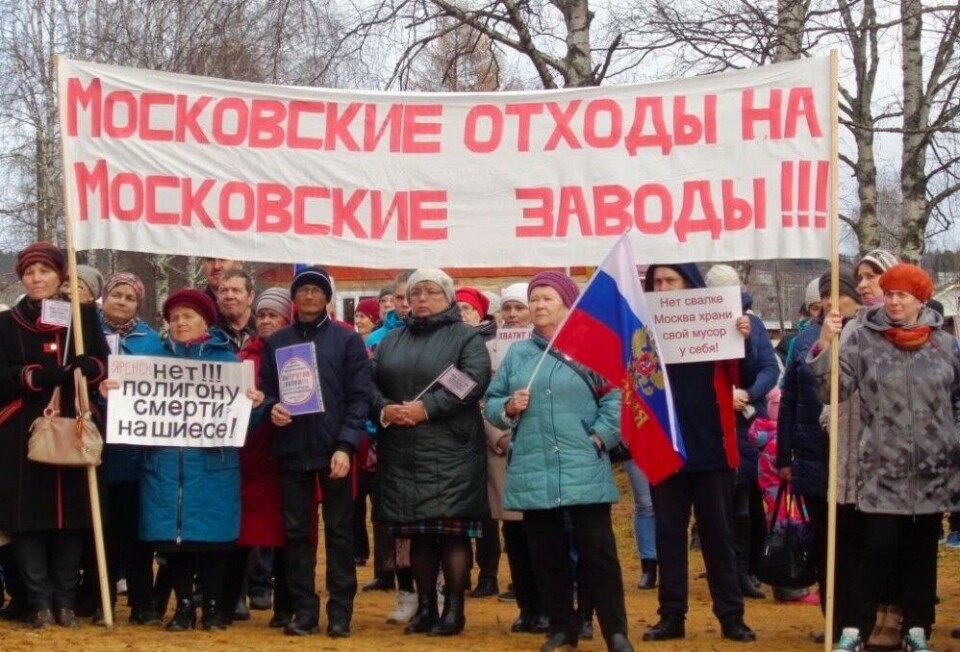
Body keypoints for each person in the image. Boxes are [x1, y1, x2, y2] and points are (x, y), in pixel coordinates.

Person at [810, 264, 957, 652]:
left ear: (920, 300)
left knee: (922, 554)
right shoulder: (864, 339)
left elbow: (957, 400)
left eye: (901, 295)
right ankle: (855, 629)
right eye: (888, 293)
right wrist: (826, 344)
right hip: (881, 471)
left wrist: (953, 439)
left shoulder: (944, 344)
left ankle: (917, 629)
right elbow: (833, 390)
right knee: (877, 549)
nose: (892, 301)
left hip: (932, 473)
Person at [485, 271, 634, 652]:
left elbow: (616, 396)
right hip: (534, 465)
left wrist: (600, 437)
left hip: (583, 462)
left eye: (547, 298)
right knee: (547, 554)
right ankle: (562, 628)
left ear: (568, 305)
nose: (538, 305)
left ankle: (615, 630)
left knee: (598, 553)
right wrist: (508, 407)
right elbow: (492, 402)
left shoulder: (591, 346)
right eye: (534, 299)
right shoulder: (517, 354)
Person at [101, 289, 256, 632]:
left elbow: (245, 423)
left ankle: (212, 608)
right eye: (174, 318)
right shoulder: (152, 361)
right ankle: (184, 607)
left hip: (213, 467)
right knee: (175, 543)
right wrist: (111, 394)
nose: (180, 323)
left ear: (205, 321)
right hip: (165, 467)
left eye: (188, 316)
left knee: (213, 542)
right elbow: (131, 410)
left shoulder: (228, 362)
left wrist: (253, 405)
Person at [371, 268, 491, 637]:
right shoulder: (391, 339)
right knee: (419, 535)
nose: (422, 298)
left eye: (432, 291)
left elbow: (472, 379)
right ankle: (425, 608)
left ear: (448, 297)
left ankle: (453, 609)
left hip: (453, 451)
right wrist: (385, 409)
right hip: (403, 451)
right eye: (416, 292)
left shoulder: (466, 337)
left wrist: (427, 408)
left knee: (453, 535)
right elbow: (368, 384)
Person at [641, 263, 756, 644]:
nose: (663, 288)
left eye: (670, 280)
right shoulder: (644, 328)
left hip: (712, 449)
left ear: (690, 284)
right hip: (666, 448)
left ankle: (731, 616)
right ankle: (671, 615)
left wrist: (744, 339)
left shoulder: (717, 320)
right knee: (669, 537)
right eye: (657, 282)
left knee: (718, 537)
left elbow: (746, 376)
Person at [0, 243, 110, 629]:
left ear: (59, 276)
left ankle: (65, 601)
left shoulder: (82, 316)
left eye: (44, 271)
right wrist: (30, 375)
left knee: (71, 518)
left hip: (73, 425)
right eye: (30, 273)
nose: (36, 279)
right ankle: (39, 603)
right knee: (27, 518)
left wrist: (87, 367)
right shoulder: (6, 323)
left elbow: (102, 362)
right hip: (22, 430)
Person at [259, 266, 372, 638]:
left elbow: (360, 398)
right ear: (294, 297)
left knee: (340, 533)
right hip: (292, 449)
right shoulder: (277, 342)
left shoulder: (347, 339)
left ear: (327, 297)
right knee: (296, 535)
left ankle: (340, 612)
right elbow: (267, 392)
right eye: (303, 290)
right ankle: (304, 610)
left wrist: (345, 445)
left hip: (333, 448)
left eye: (316, 290)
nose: (309, 296)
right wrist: (271, 408)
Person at [777, 268, 863, 622]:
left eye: (838, 294)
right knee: (826, 543)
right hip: (813, 456)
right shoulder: (803, 341)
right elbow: (788, 399)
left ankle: (859, 622)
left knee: (855, 543)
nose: (830, 302)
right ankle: (834, 621)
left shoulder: (867, 336)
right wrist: (784, 454)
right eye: (825, 296)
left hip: (856, 459)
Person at [222, 288, 296, 628]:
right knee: (240, 530)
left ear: (287, 319)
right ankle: (231, 600)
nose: (266, 320)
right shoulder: (242, 359)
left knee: (286, 533)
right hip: (249, 455)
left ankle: (284, 606)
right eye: (262, 315)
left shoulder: (297, 355)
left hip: (285, 455)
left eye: (274, 315)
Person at [96, 272, 163, 625]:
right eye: (116, 295)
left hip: (137, 453)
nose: (122, 301)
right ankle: (100, 600)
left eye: (130, 297)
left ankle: (142, 602)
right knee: (101, 532)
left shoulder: (151, 341)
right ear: (105, 297)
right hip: (96, 448)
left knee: (137, 533)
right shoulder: (86, 332)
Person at [455, 286, 500, 598]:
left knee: (490, 508)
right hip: (458, 433)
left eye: (467, 308)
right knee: (461, 508)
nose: (462, 314)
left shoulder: (498, 344)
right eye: (457, 308)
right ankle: (460, 572)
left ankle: (489, 572)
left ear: (480, 312)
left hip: (492, 432)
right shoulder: (449, 342)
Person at [215, 268, 257, 353]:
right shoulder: (210, 333)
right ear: (217, 298)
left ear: (250, 297)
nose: (229, 296)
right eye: (223, 291)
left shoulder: (263, 330)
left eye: (236, 290)